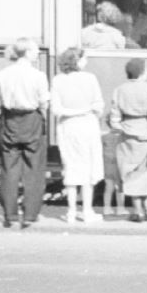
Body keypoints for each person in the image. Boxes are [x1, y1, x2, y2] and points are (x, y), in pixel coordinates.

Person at [0, 38, 51, 229]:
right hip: (31, 119)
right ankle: (30, 214)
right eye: (34, 50)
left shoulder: (3, 74)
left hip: (10, 119)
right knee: (33, 168)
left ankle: (9, 214)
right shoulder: (38, 75)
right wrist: (41, 115)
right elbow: (44, 101)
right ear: (27, 52)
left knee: (9, 168)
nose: (37, 53)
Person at [51, 47, 105, 224]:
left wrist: (72, 112)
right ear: (77, 60)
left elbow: (56, 110)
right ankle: (87, 211)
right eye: (84, 58)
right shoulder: (90, 79)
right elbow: (98, 106)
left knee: (71, 167)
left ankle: (71, 212)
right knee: (89, 169)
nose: (86, 62)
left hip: (67, 127)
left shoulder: (57, 80)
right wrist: (86, 110)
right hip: (88, 125)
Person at [108, 58, 147, 222]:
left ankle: (138, 211)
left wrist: (120, 128)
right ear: (142, 73)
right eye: (146, 69)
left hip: (128, 133)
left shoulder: (120, 89)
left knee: (131, 172)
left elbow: (115, 117)